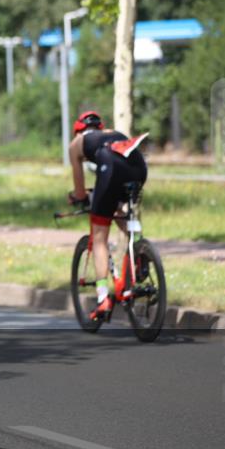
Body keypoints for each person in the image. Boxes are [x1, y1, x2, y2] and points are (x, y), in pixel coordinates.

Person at [67, 111, 148, 321]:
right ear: (100, 127)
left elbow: (80, 191)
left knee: (99, 236)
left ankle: (103, 297)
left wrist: (78, 197)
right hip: (139, 167)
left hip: (111, 168)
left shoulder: (76, 144)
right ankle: (139, 247)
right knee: (119, 211)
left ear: (78, 130)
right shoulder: (113, 134)